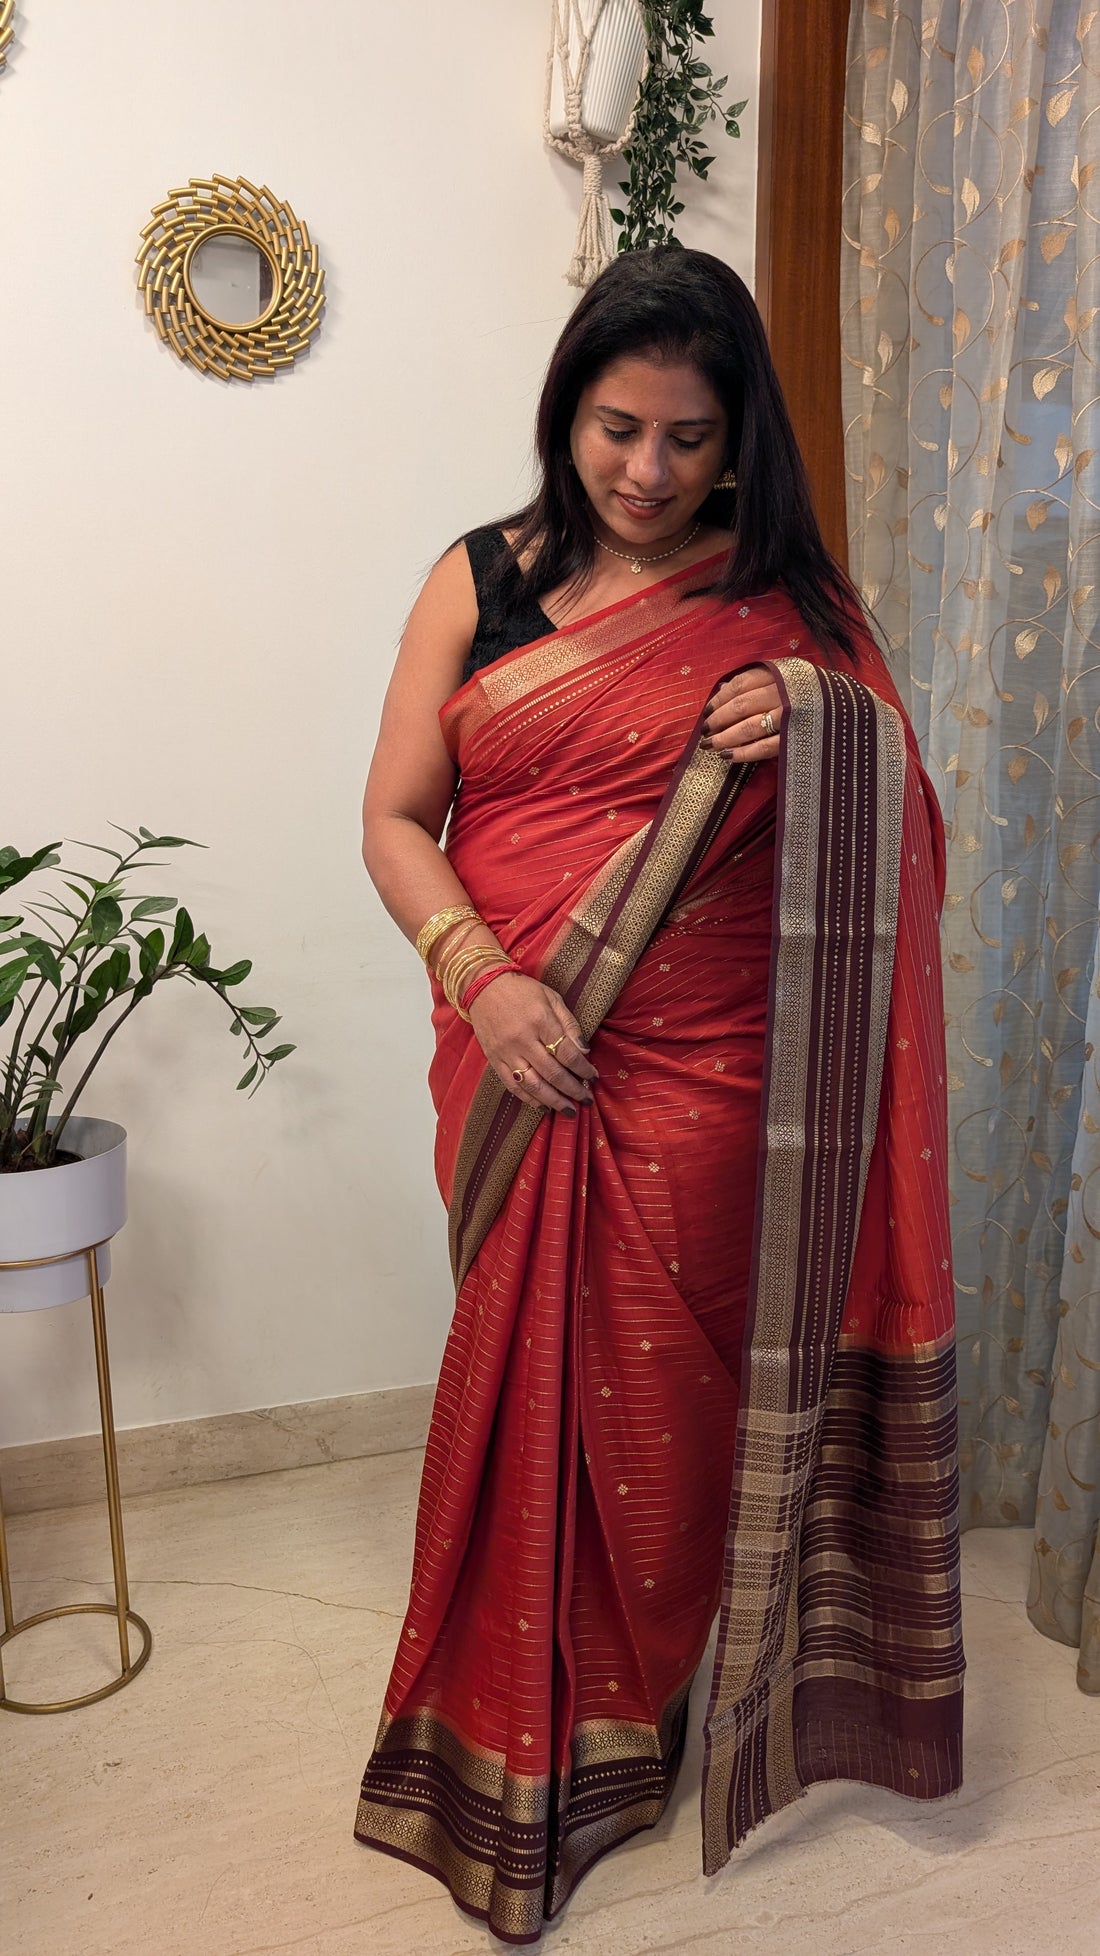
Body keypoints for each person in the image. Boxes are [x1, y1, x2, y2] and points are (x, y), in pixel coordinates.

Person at [355, 247, 964, 1945]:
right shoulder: (479, 580)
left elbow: (902, 817)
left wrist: (820, 725)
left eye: (688, 438)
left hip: (709, 1085)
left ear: (737, 436)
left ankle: (646, 1703)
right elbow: (394, 818)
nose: (645, 470)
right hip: (512, 1058)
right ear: (567, 415)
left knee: (666, 1411)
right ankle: (516, 1715)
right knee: (522, 1378)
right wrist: (486, 977)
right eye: (616, 428)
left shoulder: (793, 610)